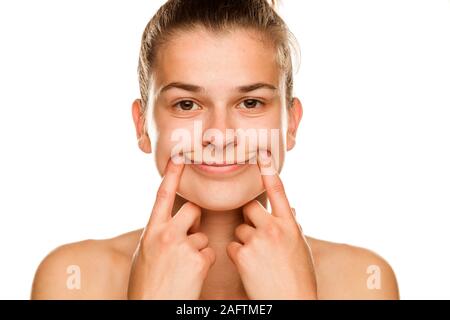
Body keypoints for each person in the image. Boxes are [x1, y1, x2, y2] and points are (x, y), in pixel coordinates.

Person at [31, 0, 399, 299]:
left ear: (291, 124)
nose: (219, 135)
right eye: (187, 105)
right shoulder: (71, 280)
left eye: (251, 103)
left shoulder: (363, 282)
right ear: (142, 125)